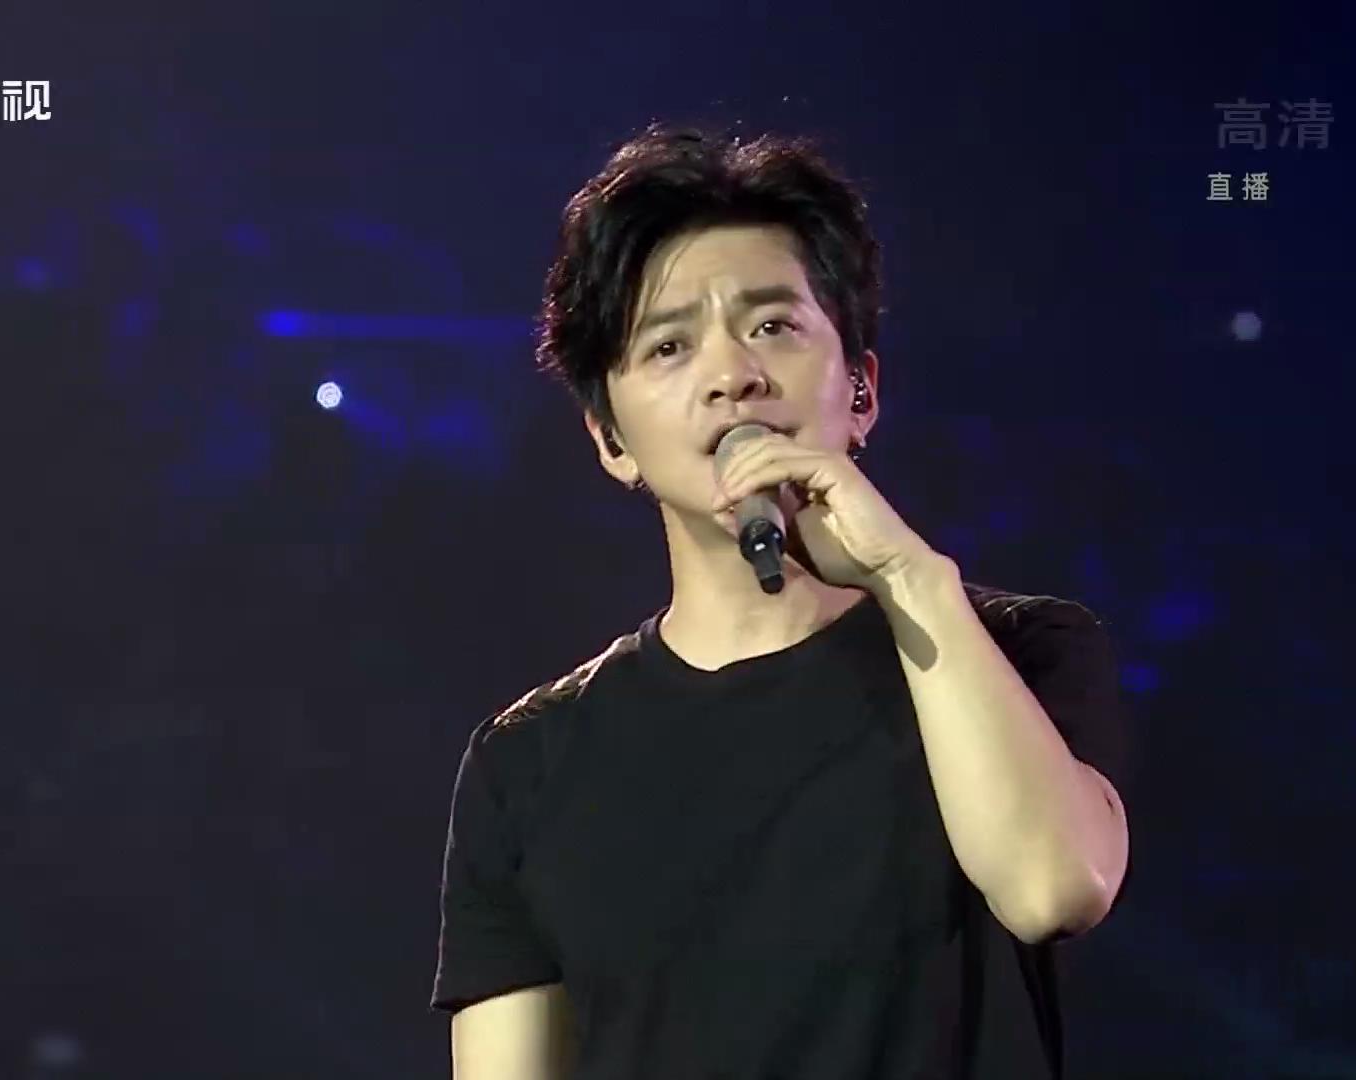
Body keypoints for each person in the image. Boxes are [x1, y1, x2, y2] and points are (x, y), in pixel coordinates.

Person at [430, 126, 1130, 1080]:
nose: (734, 376)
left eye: (772, 327)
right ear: (610, 440)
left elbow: (1054, 888)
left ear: (862, 391)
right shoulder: (529, 761)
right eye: (669, 345)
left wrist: (907, 577)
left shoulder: (1017, 648)